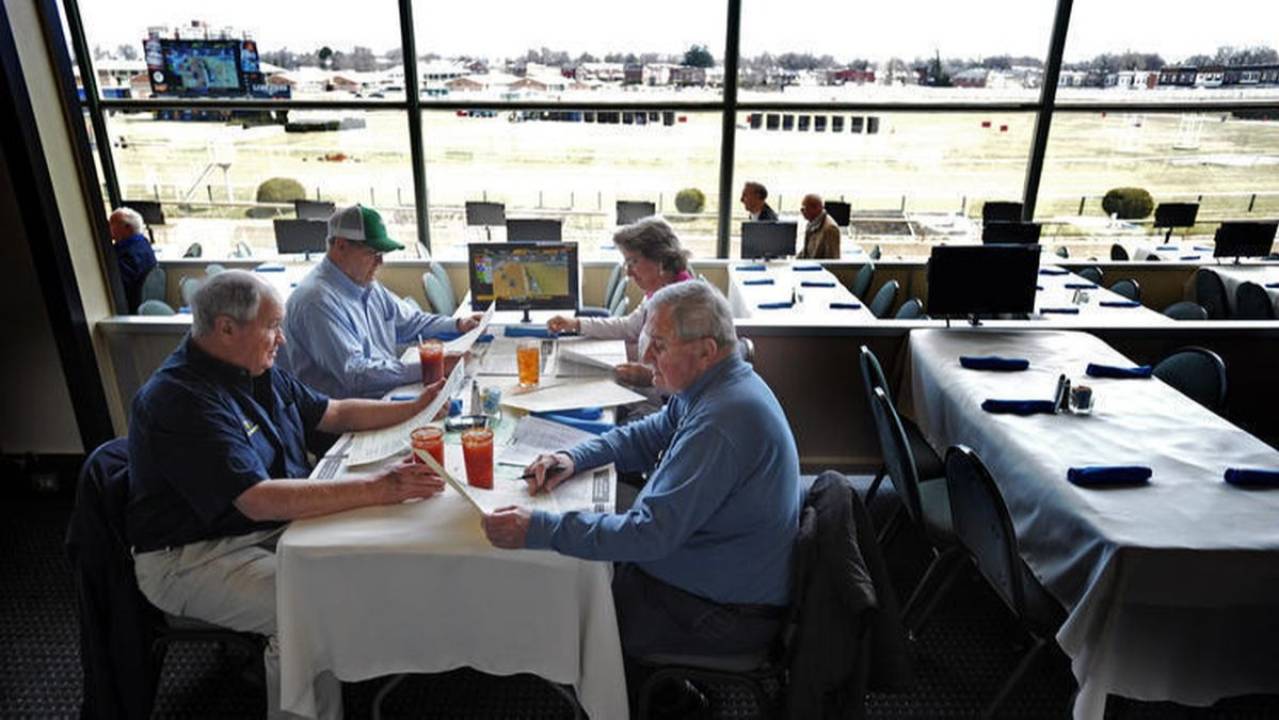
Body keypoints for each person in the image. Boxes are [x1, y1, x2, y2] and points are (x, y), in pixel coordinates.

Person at [127, 270, 449, 720]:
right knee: (309, 610)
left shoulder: (253, 368)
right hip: (193, 557)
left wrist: (415, 408)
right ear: (225, 328)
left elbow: (333, 412)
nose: (282, 338)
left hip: (262, 527)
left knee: (372, 554)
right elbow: (256, 498)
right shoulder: (180, 399)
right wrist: (381, 487)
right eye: (273, 326)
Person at [483, 281, 801, 666]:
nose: (646, 356)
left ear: (706, 351)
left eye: (660, 346)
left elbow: (650, 535)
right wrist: (574, 456)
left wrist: (537, 529)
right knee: (584, 554)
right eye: (647, 340)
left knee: (570, 611)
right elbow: (647, 433)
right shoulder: (713, 386)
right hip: (715, 568)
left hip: (725, 613)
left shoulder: (721, 423)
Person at [281, 204, 482, 399]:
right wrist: (433, 366)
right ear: (341, 246)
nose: (381, 262)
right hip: (344, 421)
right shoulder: (316, 302)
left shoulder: (366, 284)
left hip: (381, 397)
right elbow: (356, 374)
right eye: (372, 253)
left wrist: (459, 325)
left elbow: (411, 322)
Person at [546, 216, 693, 389]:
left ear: (660, 260)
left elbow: (692, 381)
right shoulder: (659, 292)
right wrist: (576, 324)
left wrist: (649, 378)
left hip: (656, 403)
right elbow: (630, 327)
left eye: (633, 262)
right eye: (626, 263)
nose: (629, 272)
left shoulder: (685, 306)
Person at [108, 207, 157, 312]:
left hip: (128, 307)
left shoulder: (129, 254)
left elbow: (115, 285)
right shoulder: (143, 244)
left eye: (111, 224)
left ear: (127, 228)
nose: (107, 228)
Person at [798, 193, 841, 260]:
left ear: (816, 208)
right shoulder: (812, 223)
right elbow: (806, 251)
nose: (801, 211)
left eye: (804, 208)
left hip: (817, 269)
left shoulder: (830, 229)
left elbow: (832, 261)